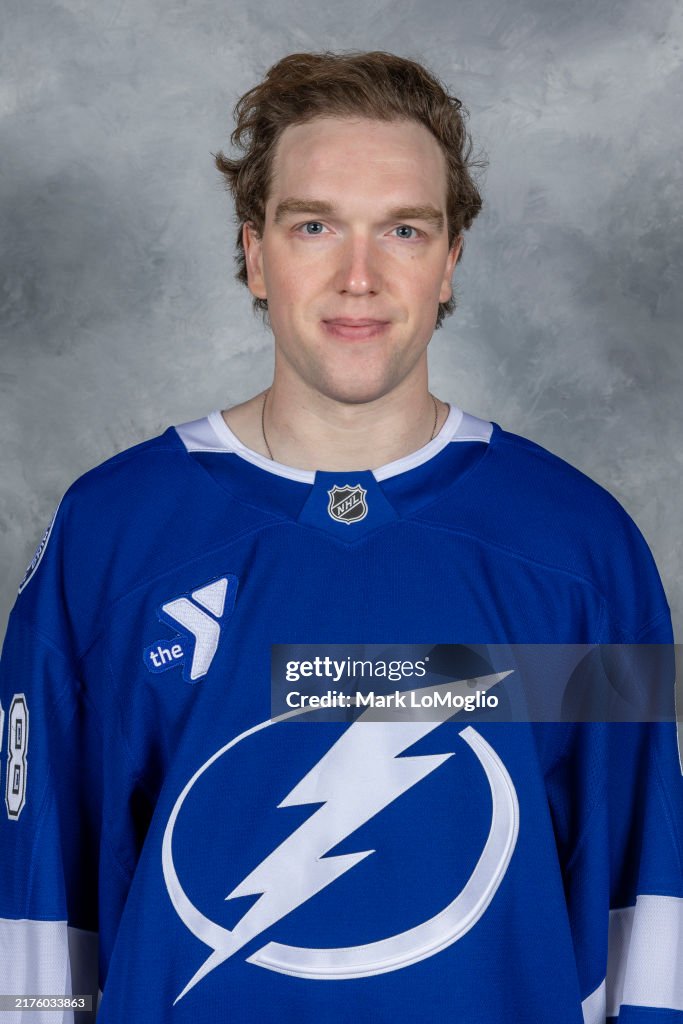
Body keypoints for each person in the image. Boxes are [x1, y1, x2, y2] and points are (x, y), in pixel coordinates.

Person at [0, 51, 680, 1024]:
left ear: (447, 261)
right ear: (253, 251)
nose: (357, 276)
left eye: (401, 228)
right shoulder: (110, 535)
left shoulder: (581, 550)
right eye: (312, 224)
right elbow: (35, 912)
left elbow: (642, 907)